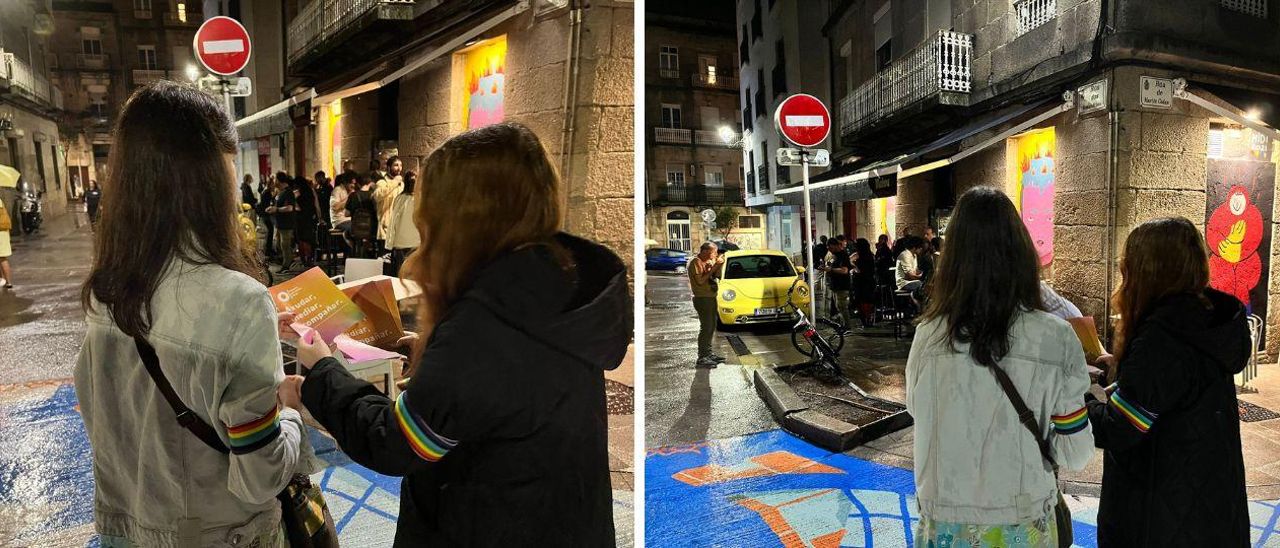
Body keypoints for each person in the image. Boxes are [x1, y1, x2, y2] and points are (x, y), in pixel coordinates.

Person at [279, 122, 630, 544]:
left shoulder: (483, 324)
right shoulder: (554, 283)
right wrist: (431, 357)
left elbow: (398, 442)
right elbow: (510, 389)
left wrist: (322, 374)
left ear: (459, 220)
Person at [74, 81, 315, 547]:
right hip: (220, 535)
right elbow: (260, 476)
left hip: (126, 529)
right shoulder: (240, 302)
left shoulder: (108, 289)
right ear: (208, 184)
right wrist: (291, 412)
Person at [907, 187, 1094, 547]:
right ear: (1021, 253)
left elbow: (919, 410)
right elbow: (1076, 451)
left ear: (953, 260)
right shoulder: (1055, 337)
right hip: (1022, 524)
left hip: (944, 524)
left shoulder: (928, 335)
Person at [1086, 217, 1249, 546]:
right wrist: (1120, 370)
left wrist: (1079, 400)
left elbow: (1121, 428)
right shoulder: (1206, 321)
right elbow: (1174, 392)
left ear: (1147, 273)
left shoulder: (1162, 337)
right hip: (1211, 508)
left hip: (1161, 516)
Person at [688, 242, 726, 367]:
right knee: (706, 327)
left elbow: (717, 276)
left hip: (710, 296)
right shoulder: (696, 262)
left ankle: (708, 353)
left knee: (712, 326)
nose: (714, 255)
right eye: (712, 252)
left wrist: (718, 265)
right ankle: (702, 357)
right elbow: (700, 281)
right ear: (704, 251)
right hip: (702, 298)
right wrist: (714, 267)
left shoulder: (708, 262)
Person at [385, 170, 419, 277]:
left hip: (402, 242)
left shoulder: (400, 199)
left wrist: (389, 243)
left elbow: (393, 221)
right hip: (415, 242)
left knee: (402, 273)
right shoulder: (420, 199)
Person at [266, 173, 297, 272]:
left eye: (275, 179)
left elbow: (290, 208)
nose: (273, 181)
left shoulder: (288, 192)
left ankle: (287, 265)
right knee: (280, 245)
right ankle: (287, 261)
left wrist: (277, 209)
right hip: (280, 224)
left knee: (285, 245)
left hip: (286, 224)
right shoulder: (280, 192)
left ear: (279, 180)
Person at [344, 171, 379, 258]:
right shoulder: (374, 195)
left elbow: (346, 213)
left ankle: (355, 254)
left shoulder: (353, 195)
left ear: (359, 183)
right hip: (372, 229)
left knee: (345, 233)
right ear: (370, 183)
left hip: (357, 230)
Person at [820, 238, 852, 325]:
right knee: (838, 307)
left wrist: (831, 269)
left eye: (831, 248)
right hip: (835, 285)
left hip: (842, 285)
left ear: (836, 245)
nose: (830, 250)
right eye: (828, 249)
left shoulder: (843, 255)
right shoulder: (833, 255)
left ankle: (847, 326)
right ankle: (842, 325)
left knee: (842, 306)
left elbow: (844, 270)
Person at [374, 155, 405, 246]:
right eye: (396, 165)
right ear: (389, 167)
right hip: (386, 227)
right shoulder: (382, 182)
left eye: (400, 165)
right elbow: (378, 196)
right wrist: (395, 182)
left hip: (399, 226)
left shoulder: (402, 184)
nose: (399, 168)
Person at [292, 176, 320, 268]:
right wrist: (319, 217)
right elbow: (316, 205)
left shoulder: (297, 193)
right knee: (308, 239)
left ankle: (304, 259)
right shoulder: (311, 191)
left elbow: (297, 206)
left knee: (301, 239)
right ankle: (309, 258)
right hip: (310, 217)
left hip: (300, 218)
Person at [852, 238, 876, 328]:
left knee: (860, 301)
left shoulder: (858, 256)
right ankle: (869, 319)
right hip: (870, 281)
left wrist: (855, 267)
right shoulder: (871, 255)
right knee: (869, 301)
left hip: (860, 281)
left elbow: (852, 263)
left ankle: (864, 321)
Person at [257, 177, 277, 262]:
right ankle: (268, 252)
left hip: (265, 214)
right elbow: (267, 204)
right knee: (269, 232)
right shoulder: (267, 192)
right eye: (273, 184)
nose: (274, 185)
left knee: (269, 232)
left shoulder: (266, 191)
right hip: (266, 215)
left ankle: (269, 250)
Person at [0, 195, 12, 290]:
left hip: (1, 233)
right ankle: (4, 280)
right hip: (2, 232)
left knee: (2, 258)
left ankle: (7, 281)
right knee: (2, 257)